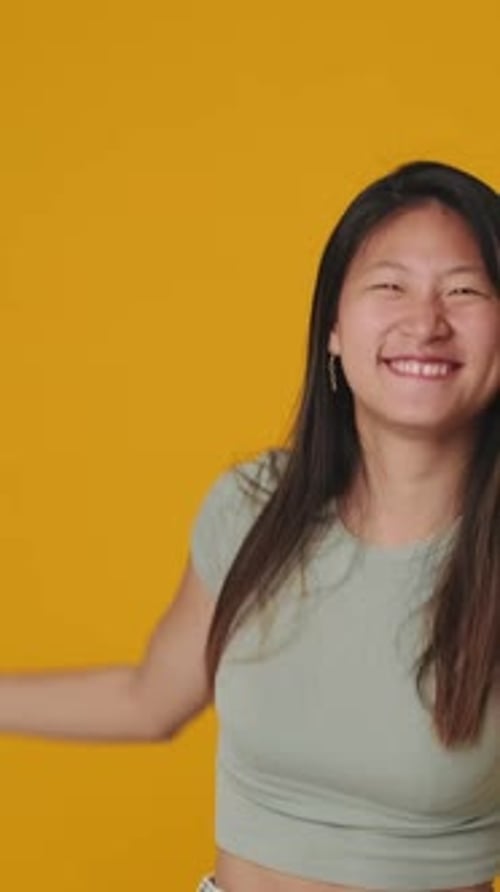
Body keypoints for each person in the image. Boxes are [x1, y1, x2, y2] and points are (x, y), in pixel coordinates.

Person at [0, 160, 499, 892]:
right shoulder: (254, 507)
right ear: (333, 329)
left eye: (464, 291)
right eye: (390, 286)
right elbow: (149, 700)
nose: (426, 322)